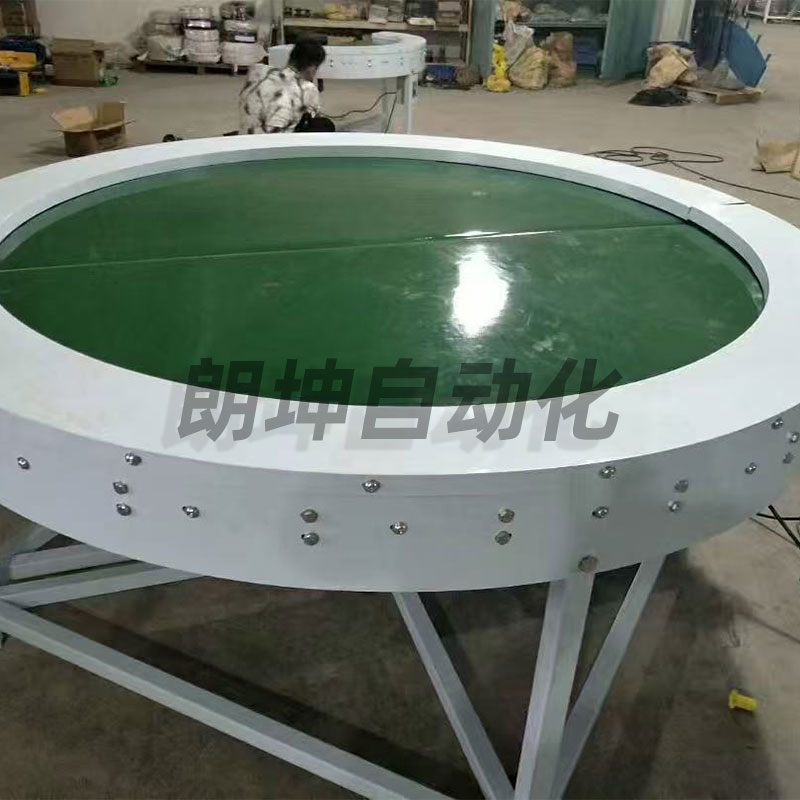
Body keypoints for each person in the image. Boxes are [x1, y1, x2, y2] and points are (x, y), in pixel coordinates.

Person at [238, 39, 335, 134]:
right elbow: (313, 117)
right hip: (278, 142)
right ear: (312, 67)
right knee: (325, 124)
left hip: (246, 138)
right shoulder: (308, 88)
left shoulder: (256, 72)